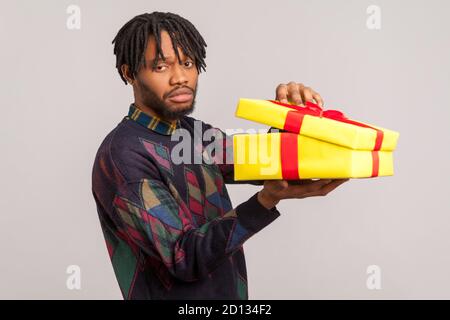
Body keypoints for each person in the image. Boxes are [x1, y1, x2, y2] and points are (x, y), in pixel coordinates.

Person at [91, 11, 348, 300]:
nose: (180, 78)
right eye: (161, 67)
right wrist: (265, 200)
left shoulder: (193, 133)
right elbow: (183, 257)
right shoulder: (123, 156)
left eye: (187, 63)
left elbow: (262, 162)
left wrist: (291, 115)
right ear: (129, 73)